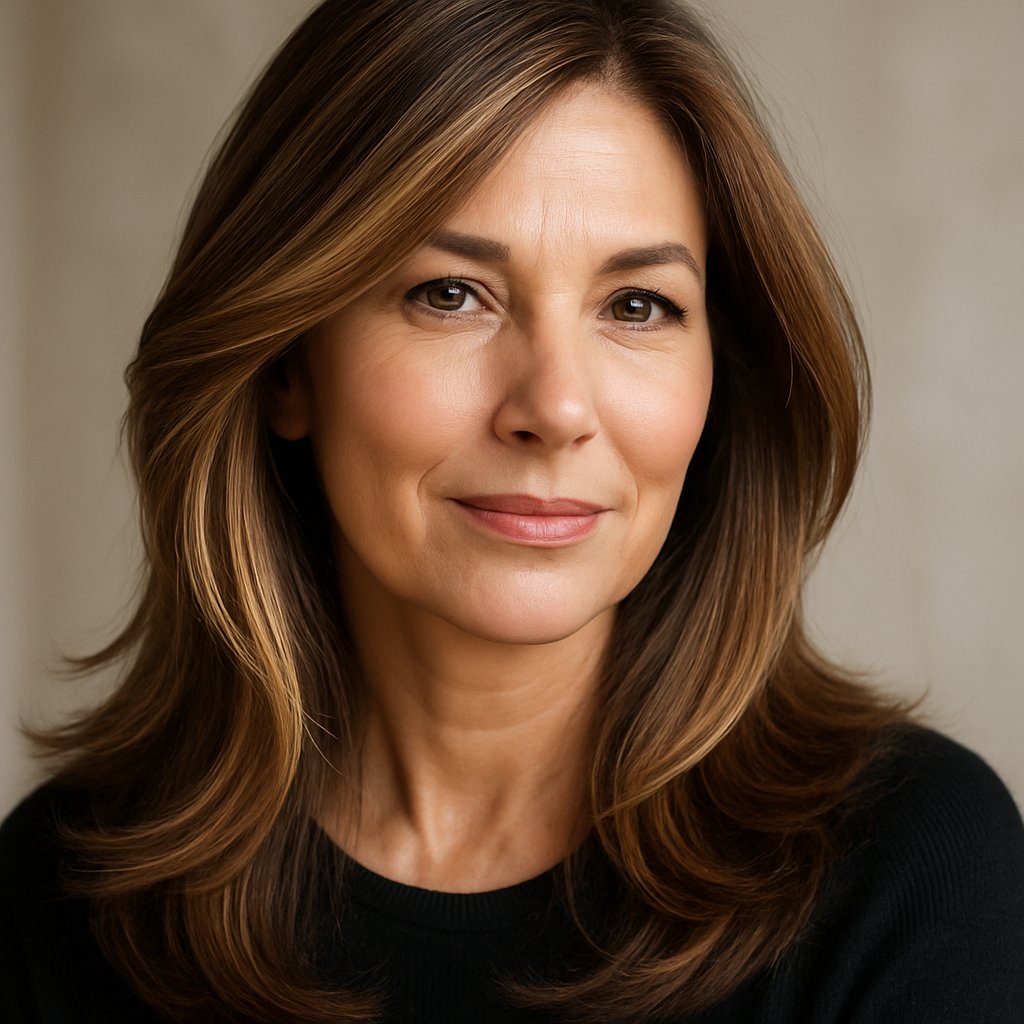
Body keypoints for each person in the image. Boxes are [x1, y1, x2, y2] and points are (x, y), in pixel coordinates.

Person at [2, 1, 1022, 1021]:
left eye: (636, 306)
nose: (556, 408)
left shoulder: (911, 869)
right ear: (286, 365)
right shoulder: (57, 899)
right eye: (451, 294)